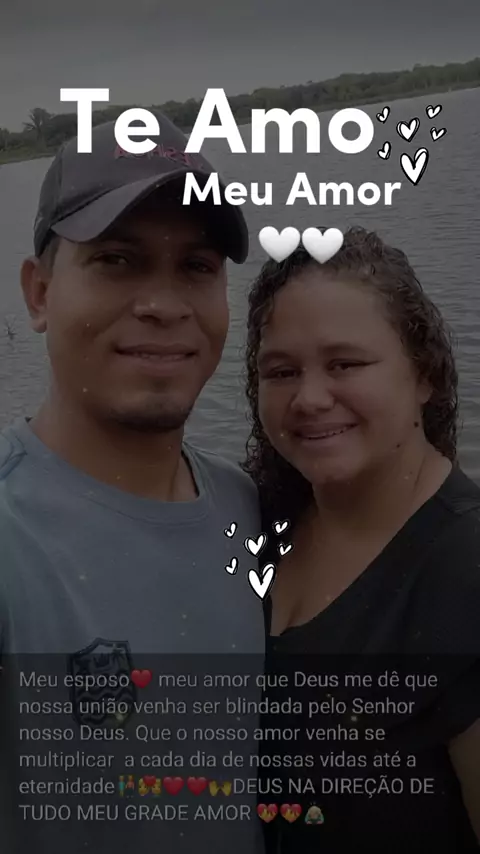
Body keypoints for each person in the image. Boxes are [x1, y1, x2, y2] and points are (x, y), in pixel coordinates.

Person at [0, 115, 265, 853]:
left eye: (197, 266)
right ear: (40, 293)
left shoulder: (249, 508)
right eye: (118, 260)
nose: (163, 304)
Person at [243, 226, 480, 852]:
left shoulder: (463, 570)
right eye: (281, 371)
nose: (309, 398)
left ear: (424, 374)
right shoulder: (255, 527)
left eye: (345, 364)